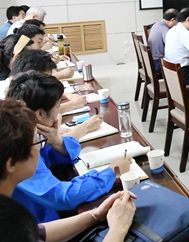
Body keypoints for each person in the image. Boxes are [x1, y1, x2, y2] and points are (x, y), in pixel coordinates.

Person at [0, 98, 136, 242]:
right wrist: (118, 228)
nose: (40, 148)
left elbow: (39, 232)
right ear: (11, 163)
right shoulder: (7, 223)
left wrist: (94, 215)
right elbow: (62, 196)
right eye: (37, 142)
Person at [7, 71, 131, 222]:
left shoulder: (23, 132)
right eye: (58, 107)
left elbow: (49, 154)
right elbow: (63, 197)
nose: (58, 113)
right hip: (40, 222)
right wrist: (111, 172)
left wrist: (57, 141)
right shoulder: (21, 149)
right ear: (40, 114)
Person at [4, 49, 88, 117]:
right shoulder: (6, 98)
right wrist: (72, 104)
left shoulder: (17, 86)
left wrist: (65, 95)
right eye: (45, 78)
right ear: (31, 74)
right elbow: (33, 117)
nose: (48, 82)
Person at [148, 8, 178, 73]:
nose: (176, 24)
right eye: (176, 22)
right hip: (158, 64)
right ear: (172, 20)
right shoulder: (164, 29)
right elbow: (172, 45)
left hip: (152, 61)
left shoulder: (156, 24)